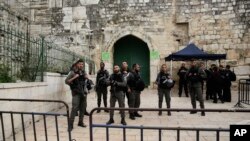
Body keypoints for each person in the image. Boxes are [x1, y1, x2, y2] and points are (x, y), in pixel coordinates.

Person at [65, 59, 87, 131]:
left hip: (83, 93)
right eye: (80, 64)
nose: (81, 65)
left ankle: (80, 122)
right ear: (77, 64)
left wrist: (87, 77)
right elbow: (66, 81)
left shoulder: (83, 72)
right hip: (76, 93)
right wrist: (74, 77)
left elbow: (86, 81)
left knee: (83, 108)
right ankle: (70, 125)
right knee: (74, 109)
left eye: (82, 64)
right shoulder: (72, 72)